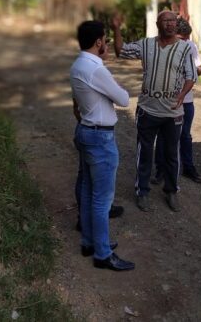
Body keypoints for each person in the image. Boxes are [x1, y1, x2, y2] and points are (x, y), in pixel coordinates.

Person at [112, 11, 197, 212]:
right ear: (157, 23)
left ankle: (171, 190)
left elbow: (191, 76)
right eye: (165, 21)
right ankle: (142, 191)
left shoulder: (185, 48)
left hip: (173, 112)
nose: (169, 24)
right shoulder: (146, 44)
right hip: (147, 110)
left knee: (171, 153)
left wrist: (182, 95)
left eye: (172, 21)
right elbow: (120, 51)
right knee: (145, 152)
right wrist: (116, 28)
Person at [70, 21, 134, 271]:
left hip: (85, 130)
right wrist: (115, 86)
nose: (106, 44)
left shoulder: (78, 64)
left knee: (87, 191)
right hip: (100, 137)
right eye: (105, 40)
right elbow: (124, 99)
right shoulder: (97, 69)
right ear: (98, 42)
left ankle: (90, 242)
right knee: (101, 199)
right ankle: (103, 253)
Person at [154, 17, 201, 184]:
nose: (185, 42)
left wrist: (195, 69)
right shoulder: (162, 46)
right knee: (163, 136)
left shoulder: (190, 46)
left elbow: (199, 69)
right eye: (182, 38)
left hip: (186, 101)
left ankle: (188, 167)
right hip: (166, 101)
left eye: (187, 38)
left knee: (185, 135)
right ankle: (160, 170)